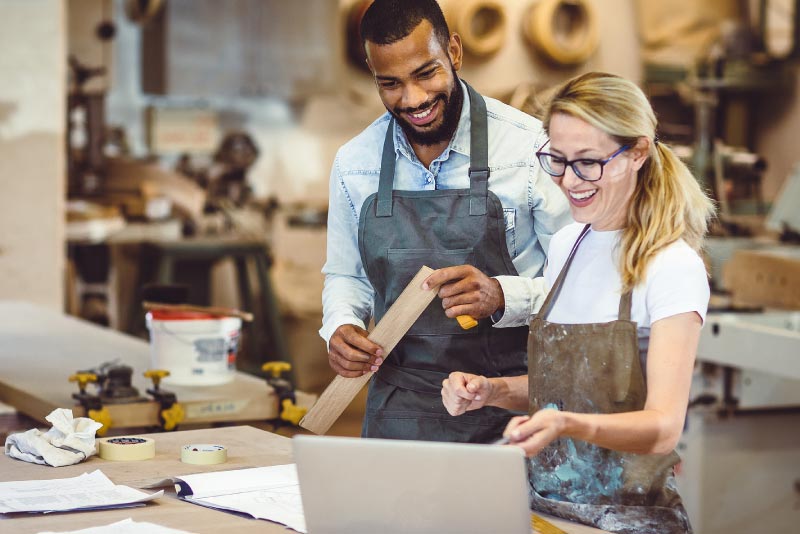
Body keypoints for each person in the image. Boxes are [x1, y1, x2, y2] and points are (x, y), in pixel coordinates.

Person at [441, 72, 715, 533]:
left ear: (638, 153)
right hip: (545, 511)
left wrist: (568, 424)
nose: (569, 180)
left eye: (588, 162)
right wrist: (493, 391)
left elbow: (663, 426)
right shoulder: (569, 242)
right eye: (557, 159)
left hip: (628, 518)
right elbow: (569, 387)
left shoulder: (672, 266)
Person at [320, 0, 571, 443]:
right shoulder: (354, 164)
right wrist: (341, 326)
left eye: (425, 73)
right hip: (399, 416)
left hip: (510, 413)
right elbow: (346, 274)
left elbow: (580, 288)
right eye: (390, 84)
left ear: (453, 51)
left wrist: (501, 295)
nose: (413, 99)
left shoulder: (529, 149)